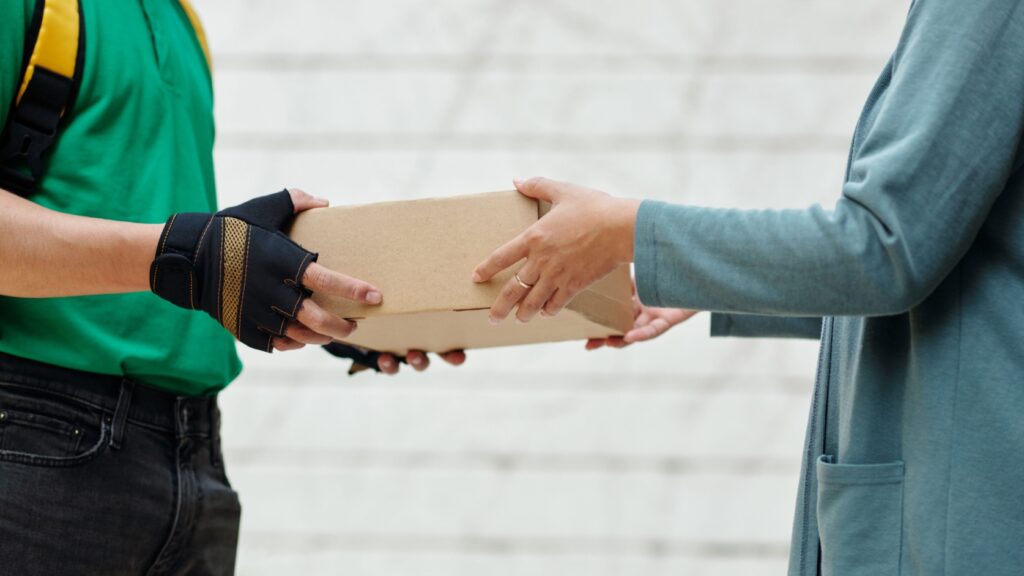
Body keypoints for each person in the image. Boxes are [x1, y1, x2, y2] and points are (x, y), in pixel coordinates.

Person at [474, 1, 1024, 575]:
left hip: (962, 519)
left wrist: (629, 230)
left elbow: (885, 247)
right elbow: (946, 260)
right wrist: (704, 280)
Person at [0, 2, 462, 574]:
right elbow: (176, 250)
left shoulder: (179, 19)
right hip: (34, 437)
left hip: (193, 450)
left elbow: (148, 228)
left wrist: (306, 302)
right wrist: (187, 256)